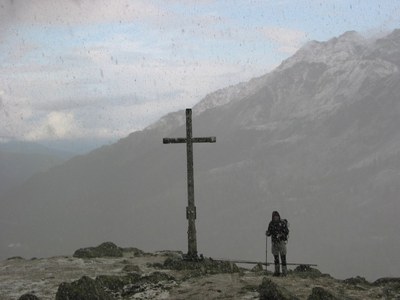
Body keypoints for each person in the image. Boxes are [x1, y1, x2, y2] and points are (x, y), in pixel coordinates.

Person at [266, 211, 289, 276]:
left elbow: (286, 232)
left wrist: (281, 235)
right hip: (274, 242)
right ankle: (277, 272)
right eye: (274, 217)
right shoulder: (271, 223)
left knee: (283, 257)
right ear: (273, 217)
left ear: (279, 216)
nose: (276, 218)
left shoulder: (282, 223)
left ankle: (284, 273)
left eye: (277, 216)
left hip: (281, 242)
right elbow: (269, 232)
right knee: (276, 257)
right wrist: (268, 233)